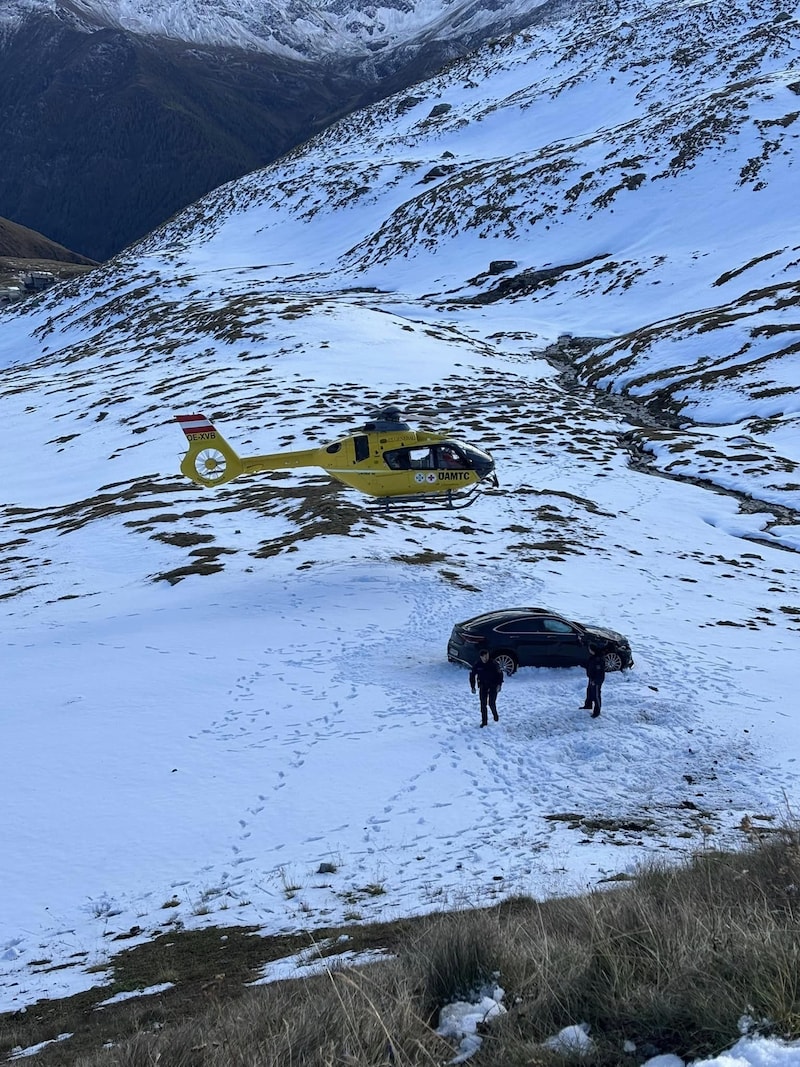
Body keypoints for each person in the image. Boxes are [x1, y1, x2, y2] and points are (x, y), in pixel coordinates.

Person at [469, 648, 504, 727]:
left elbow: (500, 674)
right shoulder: (477, 664)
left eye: (487, 656)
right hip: (483, 685)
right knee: (483, 704)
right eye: (484, 656)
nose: (486, 658)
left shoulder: (494, 664)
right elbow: (472, 675)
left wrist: (499, 685)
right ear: (481, 657)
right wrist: (473, 686)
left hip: (493, 685)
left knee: (491, 703)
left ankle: (495, 715)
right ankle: (484, 722)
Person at [581, 644, 606, 718]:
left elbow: (599, 673)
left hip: (596, 680)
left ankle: (597, 711)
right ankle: (588, 705)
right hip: (591, 678)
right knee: (589, 691)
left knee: (596, 695)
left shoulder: (598, 660)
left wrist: (595, 681)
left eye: (590, 649)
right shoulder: (593, 657)